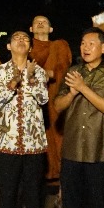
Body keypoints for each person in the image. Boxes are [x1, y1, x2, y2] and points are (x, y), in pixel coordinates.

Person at [54, 27, 104, 208]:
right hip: (72, 151)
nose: (85, 47)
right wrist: (71, 93)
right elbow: (58, 106)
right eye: (83, 43)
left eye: (91, 44)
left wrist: (83, 88)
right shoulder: (73, 72)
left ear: (102, 48)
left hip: (98, 151)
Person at [0, 31, 49, 208]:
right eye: (17, 38)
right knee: (8, 195)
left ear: (30, 47)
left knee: (34, 196)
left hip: (34, 144)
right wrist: (14, 81)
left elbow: (43, 98)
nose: (21, 40)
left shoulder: (39, 71)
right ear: (8, 46)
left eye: (25, 39)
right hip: (8, 144)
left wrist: (30, 78)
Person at [30, 15, 72, 186]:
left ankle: (63, 188)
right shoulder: (26, 48)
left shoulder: (58, 45)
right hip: (33, 101)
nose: (40, 23)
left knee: (59, 138)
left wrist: (47, 74)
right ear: (31, 29)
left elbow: (63, 69)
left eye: (45, 22)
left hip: (55, 96)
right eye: (36, 22)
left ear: (51, 29)